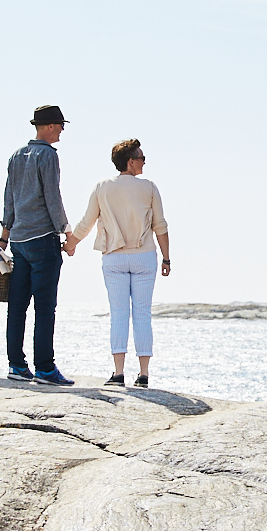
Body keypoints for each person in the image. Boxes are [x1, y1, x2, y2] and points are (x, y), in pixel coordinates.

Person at [65, 137, 171, 387]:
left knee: (119, 314)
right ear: (130, 161)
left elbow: (86, 223)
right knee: (142, 314)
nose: (144, 162)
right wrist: (167, 258)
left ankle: (118, 373)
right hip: (144, 256)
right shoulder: (149, 187)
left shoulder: (102, 187)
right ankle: (143, 375)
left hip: (114, 257)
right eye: (142, 158)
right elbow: (160, 226)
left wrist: (70, 244)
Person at [0, 104, 73, 385]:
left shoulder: (16, 156)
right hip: (43, 240)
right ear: (50, 126)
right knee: (44, 308)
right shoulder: (48, 155)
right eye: (61, 125)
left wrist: (4, 236)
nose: (62, 131)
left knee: (17, 307)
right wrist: (66, 231)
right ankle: (45, 369)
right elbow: (52, 197)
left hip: (18, 241)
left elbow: (9, 198)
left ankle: (16, 366)